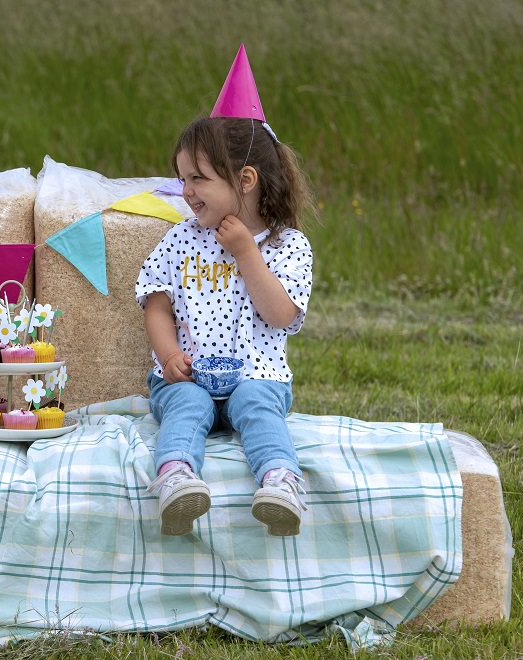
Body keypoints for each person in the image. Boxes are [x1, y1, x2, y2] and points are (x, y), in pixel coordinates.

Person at [136, 45, 317, 537]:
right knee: (186, 407)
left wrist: (246, 254)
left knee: (258, 407)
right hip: (189, 375)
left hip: (258, 373)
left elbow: (281, 315)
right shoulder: (182, 237)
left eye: (198, 178)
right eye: (182, 178)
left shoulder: (287, 245)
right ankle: (175, 479)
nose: (186, 191)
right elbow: (156, 299)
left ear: (246, 180)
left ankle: (281, 482)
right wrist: (168, 353)